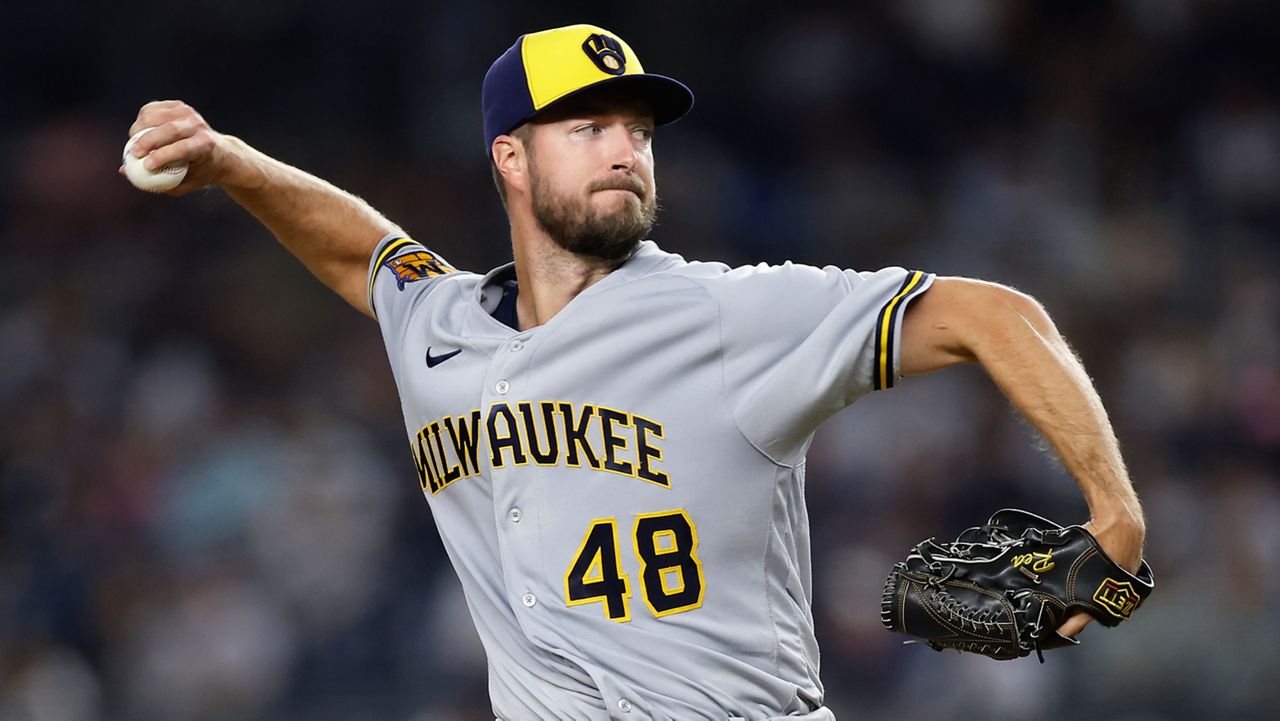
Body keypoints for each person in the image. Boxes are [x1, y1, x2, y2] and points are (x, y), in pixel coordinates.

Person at [121, 23, 1145, 721]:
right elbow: (366, 254)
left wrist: (1113, 512)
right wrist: (230, 163)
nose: (624, 151)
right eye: (589, 127)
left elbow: (993, 314)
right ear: (509, 159)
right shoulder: (437, 326)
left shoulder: (723, 312)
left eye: (638, 131)